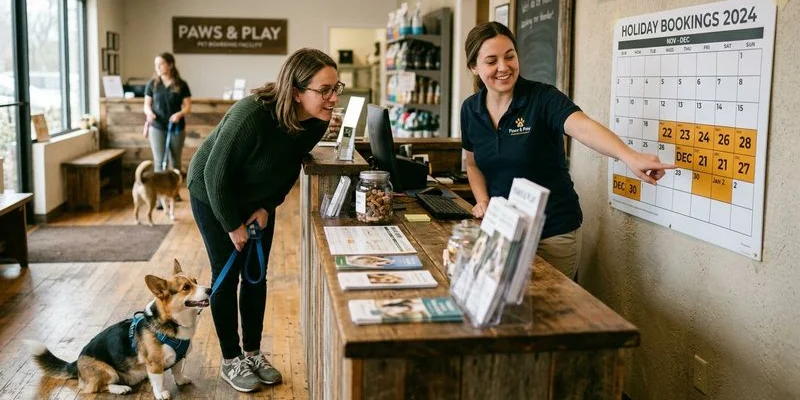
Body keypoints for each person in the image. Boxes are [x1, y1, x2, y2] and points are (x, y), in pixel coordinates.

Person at [461, 22, 674, 279]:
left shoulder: (542, 98)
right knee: (508, 309)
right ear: (474, 67)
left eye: (510, 56)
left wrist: (629, 156)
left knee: (552, 311)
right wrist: (483, 201)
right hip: (504, 229)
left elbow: (584, 127)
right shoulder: (470, 110)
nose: (503, 67)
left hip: (553, 232)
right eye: (491, 61)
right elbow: (472, 164)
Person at [187, 48, 343, 392]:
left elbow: (290, 167)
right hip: (212, 194)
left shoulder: (317, 122)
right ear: (296, 91)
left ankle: (253, 353)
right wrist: (232, 225)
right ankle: (231, 360)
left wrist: (267, 206)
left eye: (337, 88)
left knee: (256, 276)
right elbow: (215, 173)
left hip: (255, 199)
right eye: (325, 90)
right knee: (226, 276)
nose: (333, 98)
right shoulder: (251, 115)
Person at [143, 52, 192, 175]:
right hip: (157, 127)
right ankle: (161, 193)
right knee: (159, 162)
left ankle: (174, 193)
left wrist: (179, 114)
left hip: (176, 128)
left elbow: (188, 107)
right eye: (156, 65)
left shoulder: (181, 85)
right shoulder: (152, 84)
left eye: (161, 64)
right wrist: (149, 113)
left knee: (175, 163)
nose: (158, 67)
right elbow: (146, 105)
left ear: (170, 65)